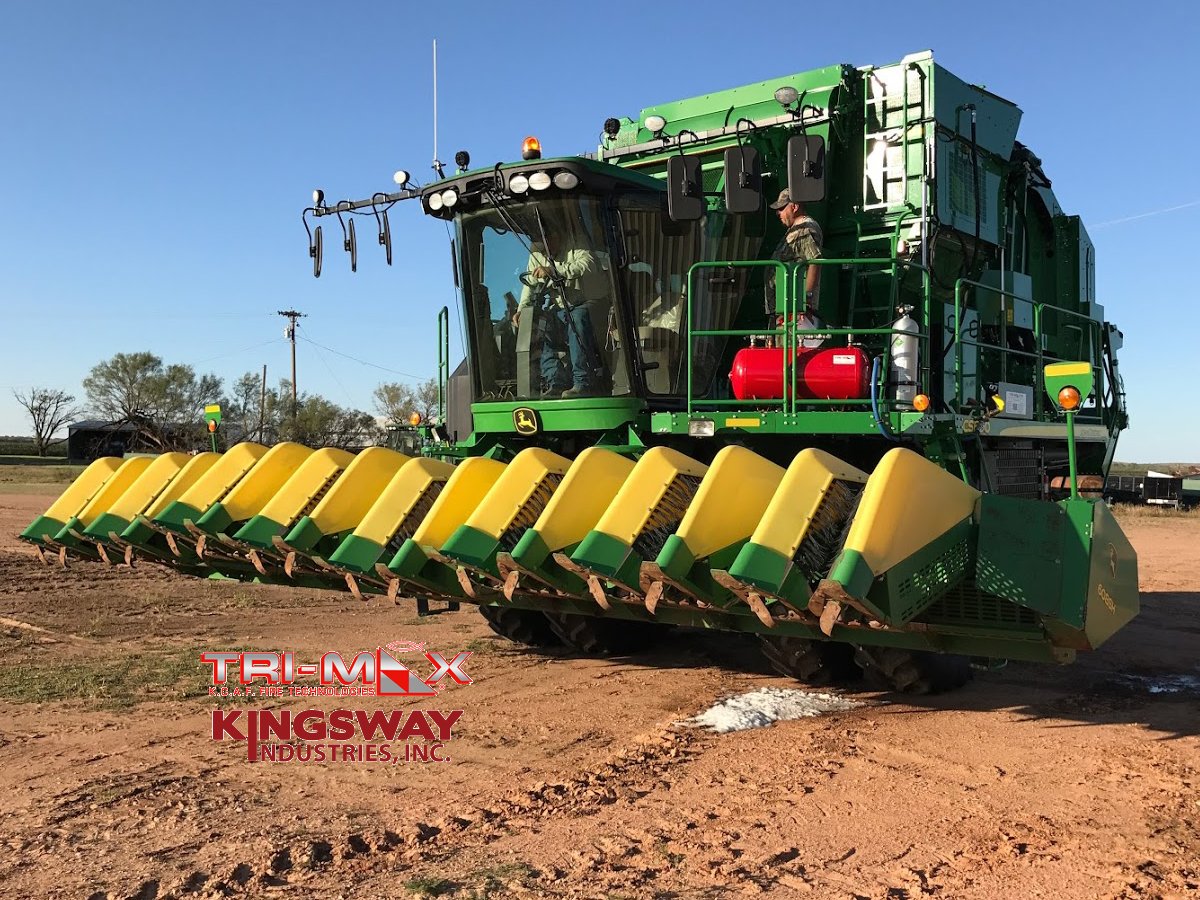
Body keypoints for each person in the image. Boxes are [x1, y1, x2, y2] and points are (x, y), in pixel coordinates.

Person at [513, 230, 607, 398]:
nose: (543, 252)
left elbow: (588, 263)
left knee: (577, 319)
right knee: (542, 324)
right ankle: (555, 383)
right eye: (540, 249)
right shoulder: (536, 254)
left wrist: (555, 271)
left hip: (588, 302)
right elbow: (530, 285)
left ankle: (582, 382)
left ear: (555, 237)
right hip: (560, 308)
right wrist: (521, 310)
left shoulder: (577, 242)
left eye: (545, 247)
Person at [764, 188, 823, 315]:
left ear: (794, 207)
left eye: (781, 208)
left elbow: (815, 261)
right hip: (784, 308)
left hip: (794, 310)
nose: (778, 213)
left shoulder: (805, 228)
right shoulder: (795, 229)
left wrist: (805, 300)